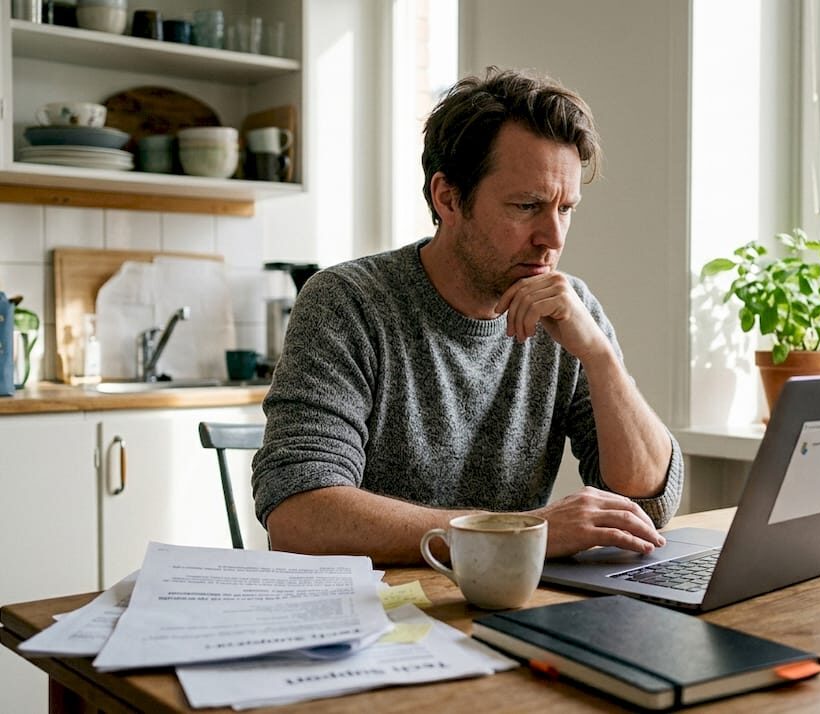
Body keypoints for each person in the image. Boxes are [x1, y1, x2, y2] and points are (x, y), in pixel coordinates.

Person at [252, 66, 682, 564]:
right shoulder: (347, 303)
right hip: (380, 614)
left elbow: (648, 500)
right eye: (527, 206)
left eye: (566, 209)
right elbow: (298, 517)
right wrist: (522, 530)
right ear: (448, 198)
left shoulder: (567, 308)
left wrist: (601, 357)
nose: (554, 238)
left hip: (511, 605)